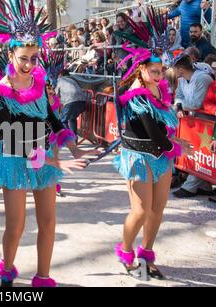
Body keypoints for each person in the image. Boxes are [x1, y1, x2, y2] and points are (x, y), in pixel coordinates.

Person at [0, 0, 96, 287]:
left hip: (45, 156)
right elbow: (10, 136)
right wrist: (53, 160)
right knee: (16, 226)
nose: (30, 65)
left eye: (34, 58)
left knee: (48, 222)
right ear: (11, 53)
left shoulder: (39, 83)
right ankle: (7, 270)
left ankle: (43, 278)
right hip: (16, 158)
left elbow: (52, 120)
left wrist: (72, 146)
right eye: (24, 58)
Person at [112, 6, 193, 280]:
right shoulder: (136, 94)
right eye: (154, 71)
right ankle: (126, 251)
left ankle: (147, 255)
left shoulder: (159, 88)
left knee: (157, 211)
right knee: (140, 210)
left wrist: (173, 141)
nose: (160, 76)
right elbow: (150, 129)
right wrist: (174, 145)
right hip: (138, 155)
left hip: (161, 156)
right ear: (141, 69)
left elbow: (162, 128)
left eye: (161, 71)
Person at [172, 55, 214, 198]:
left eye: (175, 68)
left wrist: (179, 106)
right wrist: (178, 106)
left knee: (202, 153)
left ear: (181, 69)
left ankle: (191, 186)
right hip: (193, 120)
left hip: (207, 121)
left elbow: (197, 103)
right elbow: (178, 96)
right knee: (195, 151)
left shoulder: (202, 78)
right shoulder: (181, 79)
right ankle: (204, 185)